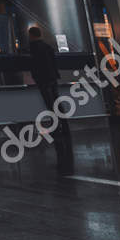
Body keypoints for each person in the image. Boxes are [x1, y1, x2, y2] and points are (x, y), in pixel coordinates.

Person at [26, 24, 74, 175]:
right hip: (52, 78)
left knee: (49, 104)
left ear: (31, 35)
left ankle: (57, 126)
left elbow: (33, 64)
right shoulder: (47, 46)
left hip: (43, 79)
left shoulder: (33, 47)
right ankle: (64, 125)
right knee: (56, 102)